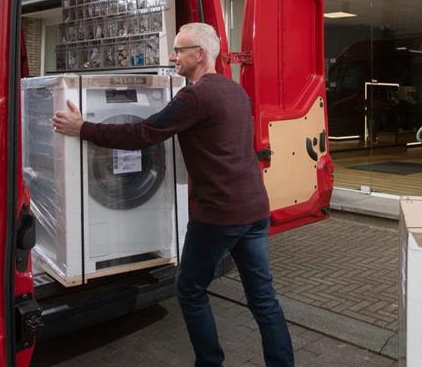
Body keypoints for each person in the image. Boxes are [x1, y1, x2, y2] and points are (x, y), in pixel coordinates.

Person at [52, 23, 294, 367]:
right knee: (263, 298)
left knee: (190, 290)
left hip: (218, 213)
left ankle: (209, 363)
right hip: (254, 208)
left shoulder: (195, 95)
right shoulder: (234, 91)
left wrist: (83, 128)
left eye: (179, 50)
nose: (172, 56)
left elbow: (143, 133)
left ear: (200, 54)